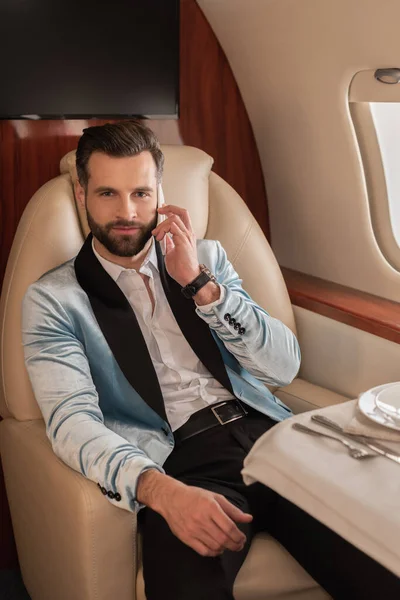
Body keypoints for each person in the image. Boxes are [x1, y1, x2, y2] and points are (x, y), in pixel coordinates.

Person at [22, 121, 400, 600]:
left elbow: (282, 367)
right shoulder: (54, 299)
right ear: (81, 195)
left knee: (383, 560)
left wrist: (200, 284)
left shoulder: (206, 259)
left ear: (160, 191)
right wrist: (160, 491)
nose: (126, 211)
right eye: (107, 194)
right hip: (179, 462)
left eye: (141, 193)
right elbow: (70, 420)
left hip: (269, 436)